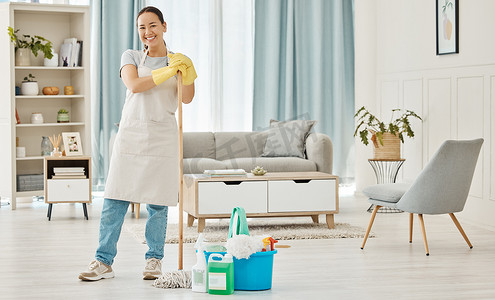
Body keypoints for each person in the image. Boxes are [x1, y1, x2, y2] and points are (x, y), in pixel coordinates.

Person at [79, 6, 196, 281]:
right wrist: (166, 73)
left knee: (158, 203)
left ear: (164, 26)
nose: (147, 32)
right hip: (131, 134)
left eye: (153, 26)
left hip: (162, 137)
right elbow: (133, 84)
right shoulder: (130, 56)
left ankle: (154, 260)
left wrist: (187, 72)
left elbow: (187, 99)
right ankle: (103, 261)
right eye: (142, 27)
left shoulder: (177, 61)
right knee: (114, 199)